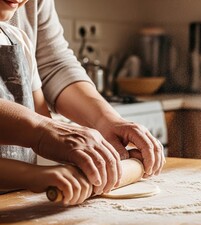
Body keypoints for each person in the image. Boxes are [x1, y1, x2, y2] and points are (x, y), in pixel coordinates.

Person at [0, 0, 165, 204]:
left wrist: (104, 122)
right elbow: (43, 129)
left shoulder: (17, 39)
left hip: (16, 201)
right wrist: (32, 172)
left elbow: (53, 68)